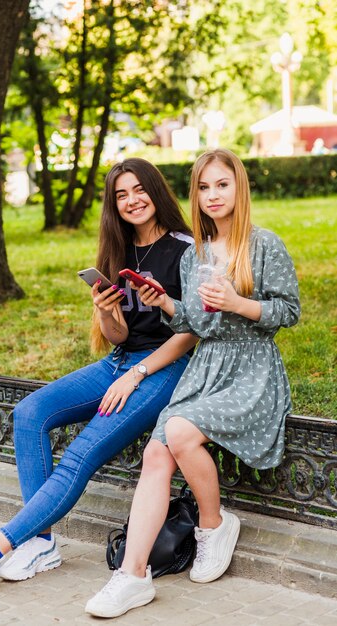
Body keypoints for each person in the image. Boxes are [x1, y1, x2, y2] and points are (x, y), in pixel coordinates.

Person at [0, 158, 197, 588]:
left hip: (163, 368)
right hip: (119, 362)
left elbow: (190, 331)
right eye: (121, 195)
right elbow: (119, 336)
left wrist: (136, 376)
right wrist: (106, 314)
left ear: (156, 191)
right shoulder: (117, 250)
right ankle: (40, 543)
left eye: (139, 190)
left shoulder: (185, 248)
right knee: (30, 413)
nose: (132, 200)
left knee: (80, 452)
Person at [86, 148, 300, 618]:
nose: (213, 195)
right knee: (157, 450)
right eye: (204, 187)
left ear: (239, 188)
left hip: (252, 370)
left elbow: (289, 312)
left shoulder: (264, 244)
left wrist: (237, 302)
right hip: (208, 367)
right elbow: (195, 324)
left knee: (178, 431)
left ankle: (213, 524)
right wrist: (163, 304)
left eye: (222, 184)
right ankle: (133, 575)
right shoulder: (195, 255)